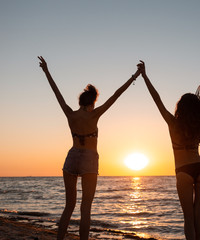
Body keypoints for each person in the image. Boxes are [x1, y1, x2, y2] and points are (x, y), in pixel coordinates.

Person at [38, 56, 140, 240]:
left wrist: (46, 70)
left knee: (69, 206)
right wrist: (135, 76)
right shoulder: (94, 115)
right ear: (92, 102)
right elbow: (116, 95)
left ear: (80, 102)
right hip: (89, 159)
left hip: (72, 157)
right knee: (86, 208)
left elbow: (56, 92)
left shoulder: (70, 114)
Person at [137, 61, 200, 240]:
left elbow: (157, 100)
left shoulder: (173, 123)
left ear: (181, 107)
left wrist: (145, 76)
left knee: (188, 218)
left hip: (183, 171)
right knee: (198, 216)